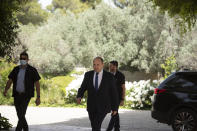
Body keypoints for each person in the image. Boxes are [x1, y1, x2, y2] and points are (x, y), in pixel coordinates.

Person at [76, 57, 119, 131]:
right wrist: (79, 96)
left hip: (104, 107)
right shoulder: (88, 75)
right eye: (94, 64)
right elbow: (83, 87)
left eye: (98, 64)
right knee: (95, 126)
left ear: (102, 65)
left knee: (96, 125)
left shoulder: (109, 76)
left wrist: (115, 108)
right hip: (91, 106)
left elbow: (114, 92)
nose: (95, 66)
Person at [3, 52, 41, 131]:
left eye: (24, 59)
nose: (22, 60)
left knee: (21, 114)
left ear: (27, 60)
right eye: (21, 59)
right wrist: (6, 90)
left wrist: (38, 97)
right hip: (16, 95)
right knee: (20, 115)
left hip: (26, 95)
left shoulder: (32, 70)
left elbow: (37, 84)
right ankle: (26, 129)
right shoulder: (16, 69)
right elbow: (10, 81)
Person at [106, 60, 125, 131]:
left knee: (114, 112)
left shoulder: (121, 75)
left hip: (118, 97)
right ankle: (117, 128)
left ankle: (109, 129)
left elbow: (123, 88)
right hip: (109, 97)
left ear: (115, 67)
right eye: (109, 66)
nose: (110, 67)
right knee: (115, 112)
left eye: (111, 66)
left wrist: (122, 99)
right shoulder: (107, 75)